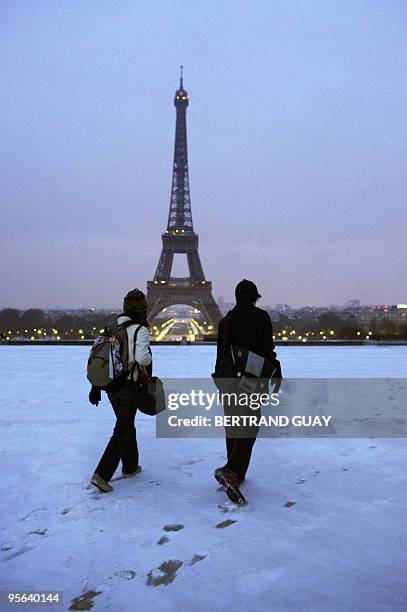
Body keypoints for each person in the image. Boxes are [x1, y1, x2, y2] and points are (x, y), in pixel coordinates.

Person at [213, 279, 278, 504]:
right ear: (255, 297)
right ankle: (232, 470)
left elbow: (221, 353)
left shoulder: (225, 321)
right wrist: (275, 372)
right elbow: (268, 350)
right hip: (251, 380)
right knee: (250, 424)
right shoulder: (261, 318)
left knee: (232, 424)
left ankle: (236, 474)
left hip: (227, 379)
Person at [89, 289, 152, 493]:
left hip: (111, 387)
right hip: (128, 386)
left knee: (126, 424)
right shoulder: (139, 330)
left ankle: (130, 466)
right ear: (142, 309)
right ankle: (102, 474)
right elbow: (143, 359)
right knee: (122, 429)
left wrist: (96, 387)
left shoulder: (111, 329)